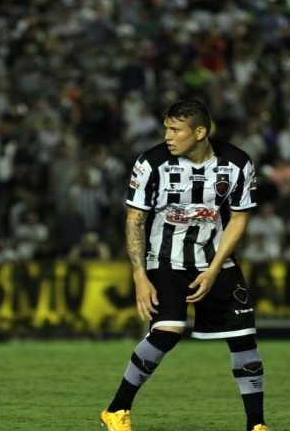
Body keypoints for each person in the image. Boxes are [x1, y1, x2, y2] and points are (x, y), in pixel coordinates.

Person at [100, 99, 270, 431]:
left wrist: (214, 268)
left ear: (200, 132)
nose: (167, 135)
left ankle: (257, 425)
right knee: (169, 330)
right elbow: (135, 219)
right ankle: (117, 409)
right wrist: (139, 276)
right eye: (166, 127)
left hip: (216, 261)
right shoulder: (151, 163)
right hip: (165, 259)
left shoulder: (235, 163)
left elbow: (239, 218)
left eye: (175, 129)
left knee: (243, 337)